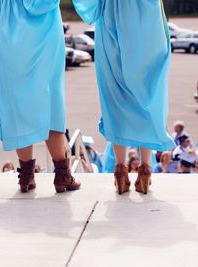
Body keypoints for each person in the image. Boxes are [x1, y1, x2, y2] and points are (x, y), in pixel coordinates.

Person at [0, 0, 81, 193]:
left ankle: (26, 175)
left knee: (17, 106)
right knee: (50, 102)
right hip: (41, 34)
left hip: (3, 35)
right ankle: (62, 175)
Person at [73, 0, 176, 194]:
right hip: (148, 20)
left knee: (116, 98)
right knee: (149, 96)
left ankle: (120, 169)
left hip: (113, 16)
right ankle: (145, 168)